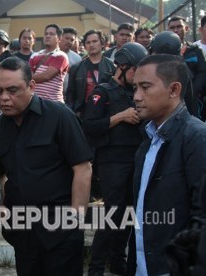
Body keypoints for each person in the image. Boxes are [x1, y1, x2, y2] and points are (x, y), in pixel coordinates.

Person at [0, 57, 93, 276]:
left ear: (32, 86)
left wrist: (75, 220)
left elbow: (82, 169)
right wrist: (3, 214)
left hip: (61, 231)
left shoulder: (60, 116)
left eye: (12, 90)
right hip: (22, 232)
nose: (4, 98)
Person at [125, 54, 206, 275]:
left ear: (174, 90)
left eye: (145, 87)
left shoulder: (197, 138)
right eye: (135, 88)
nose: (137, 97)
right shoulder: (148, 141)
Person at [83, 42, 148, 276]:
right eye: (134, 71)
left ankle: (118, 262)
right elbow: (89, 126)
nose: (137, 77)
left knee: (130, 215)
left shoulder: (137, 93)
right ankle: (96, 267)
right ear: (122, 66)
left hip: (135, 159)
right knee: (112, 214)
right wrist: (119, 117)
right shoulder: (102, 91)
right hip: (111, 162)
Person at [66, 29, 115, 117]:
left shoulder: (112, 66)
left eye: (95, 41)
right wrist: (72, 112)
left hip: (106, 112)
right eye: (88, 42)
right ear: (84, 46)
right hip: (82, 112)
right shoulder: (76, 68)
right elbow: (70, 94)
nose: (91, 45)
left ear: (102, 43)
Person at [167, 16, 206, 119]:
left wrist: (192, 91)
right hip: (169, 99)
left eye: (179, 26)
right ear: (168, 29)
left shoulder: (195, 50)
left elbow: (202, 73)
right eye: (172, 27)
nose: (176, 30)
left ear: (186, 28)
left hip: (193, 101)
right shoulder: (163, 51)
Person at [29, 23, 69, 102]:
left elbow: (46, 76)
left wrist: (24, 79)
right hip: (36, 103)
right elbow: (29, 73)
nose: (47, 36)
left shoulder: (61, 56)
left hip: (54, 104)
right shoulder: (35, 55)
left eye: (51, 34)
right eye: (46, 34)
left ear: (59, 38)